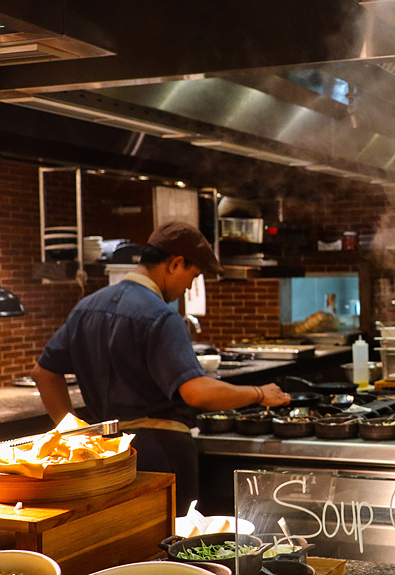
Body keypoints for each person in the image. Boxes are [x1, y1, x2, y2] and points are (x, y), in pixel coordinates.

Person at [32, 221, 290, 515]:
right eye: (193, 275)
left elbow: (43, 373)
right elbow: (197, 393)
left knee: (126, 546)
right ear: (175, 263)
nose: (189, 286)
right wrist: (259, 393)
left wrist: (74, 432)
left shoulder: (86, 307)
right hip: (162, 453)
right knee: (175, 547)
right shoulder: (161, 316)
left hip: (107, 453)